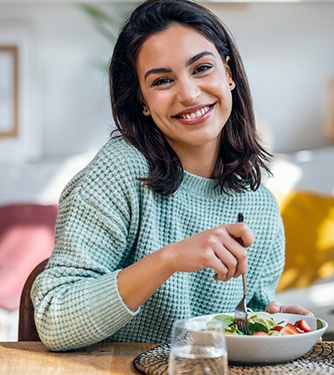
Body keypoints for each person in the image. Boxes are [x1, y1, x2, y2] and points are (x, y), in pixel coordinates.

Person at [32, 0, 312, 352]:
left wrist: (269, 323)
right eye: (163, 80)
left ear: (229, 74)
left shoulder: (261, 207)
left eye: (202, 68)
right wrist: (169, 259)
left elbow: (242, 317)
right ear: (144, 102)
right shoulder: (119, 173)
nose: (189, 94)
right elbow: (54, 320)